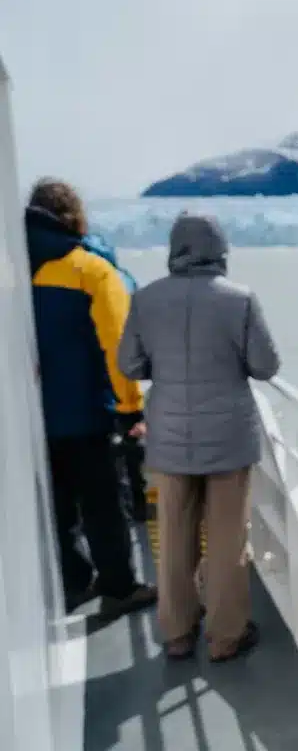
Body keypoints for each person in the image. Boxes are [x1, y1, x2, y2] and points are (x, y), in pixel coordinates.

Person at [118, 212, 281, 662]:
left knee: (173, 536)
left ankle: (176, 633)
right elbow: (266, 365)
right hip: (228, 439)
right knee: (227, 539)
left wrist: (164, 368)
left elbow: (129, 365)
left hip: (169, 437)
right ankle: (226, 636)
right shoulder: (240, 300)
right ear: (220, 249)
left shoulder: (146, 299)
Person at [24, 178, 158, 616]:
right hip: (88, 414)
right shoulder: (89, 269)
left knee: (56, 507)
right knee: (104, 504)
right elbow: (117, 345)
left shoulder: (15, 270)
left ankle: (74, 581)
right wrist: (129, 407)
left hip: (30, 417)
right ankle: (119, 587)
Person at [81, 232, 149, 522]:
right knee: (132, 445)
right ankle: (139, 504)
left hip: (91, 382)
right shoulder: (122, 278)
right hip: (127, 379)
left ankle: (118, 506)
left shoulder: (75, 275)